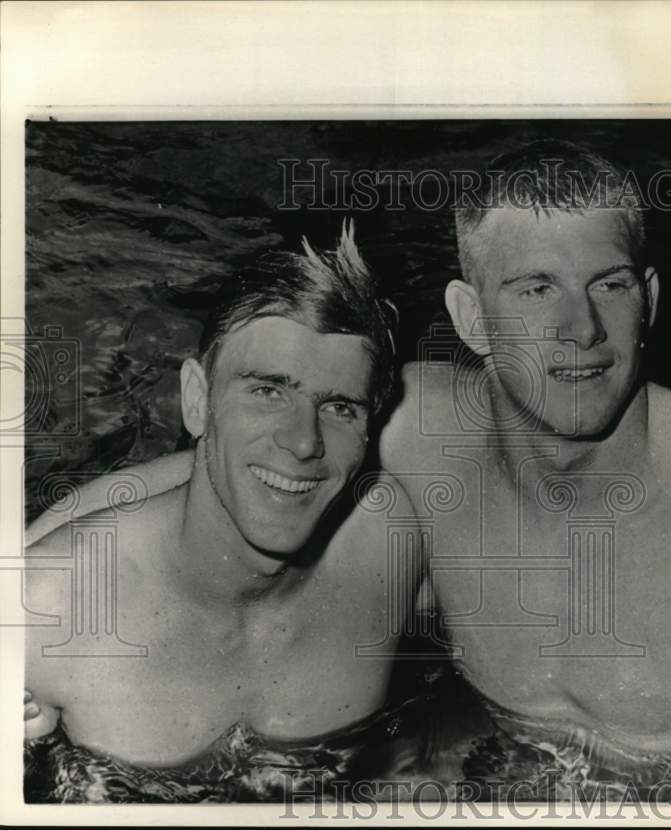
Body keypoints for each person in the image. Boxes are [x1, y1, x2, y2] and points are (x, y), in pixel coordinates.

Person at [29, 141, 671, 798]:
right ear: (470, 319)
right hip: (483, 758)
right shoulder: (414, 426)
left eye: (611, 284)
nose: (579, 329)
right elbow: (210, 472)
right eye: (534, 289)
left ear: (650, 300)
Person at [22, 223, 422, 791]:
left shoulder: (388, 540)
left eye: (339, 407)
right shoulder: (45, 611)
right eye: (267, 391)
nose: (304, 441)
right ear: (197, 400)